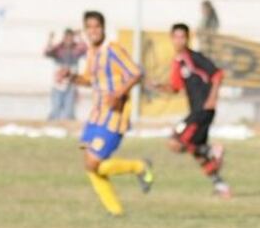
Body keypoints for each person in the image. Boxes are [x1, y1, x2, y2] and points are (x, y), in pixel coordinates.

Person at [71, 11, 152, 217]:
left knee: (94, 162)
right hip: (96, 116)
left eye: (97, 26)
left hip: (114, 117)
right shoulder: (92, 52)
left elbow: (136, 72)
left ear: (103, 28)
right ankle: (115, 210)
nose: (93, 31)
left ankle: (139, 166)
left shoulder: (113, 49)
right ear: (85, 30)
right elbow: (90, 80)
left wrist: (119, 93)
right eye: (89, 27)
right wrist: (72, 77)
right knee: (89, 164)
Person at [151, 23, 229, 197]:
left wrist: (212, 98)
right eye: (176, 37)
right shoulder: (178, 62)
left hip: (203, 110)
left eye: (182, 37)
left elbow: (217, 74)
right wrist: (158, 86)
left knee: (175, 142)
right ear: (171, 38)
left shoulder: (194, 57)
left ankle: (212, 150)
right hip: (197, 111)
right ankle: (221, 186)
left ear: (188, 39)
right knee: (197, 151)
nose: (179, 40)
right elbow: (175, 87)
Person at [44, 28, 86, 121]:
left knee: (69, 111)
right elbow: (47, 52)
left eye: (71, 38)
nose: (68, 40)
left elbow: (86, 50)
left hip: (71, 84)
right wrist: (50, 39)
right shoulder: (59, 48)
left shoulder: (76, 49)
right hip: (58, 84)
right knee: (56, 108)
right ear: (64, 37)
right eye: (67, 37)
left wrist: (80, 37)